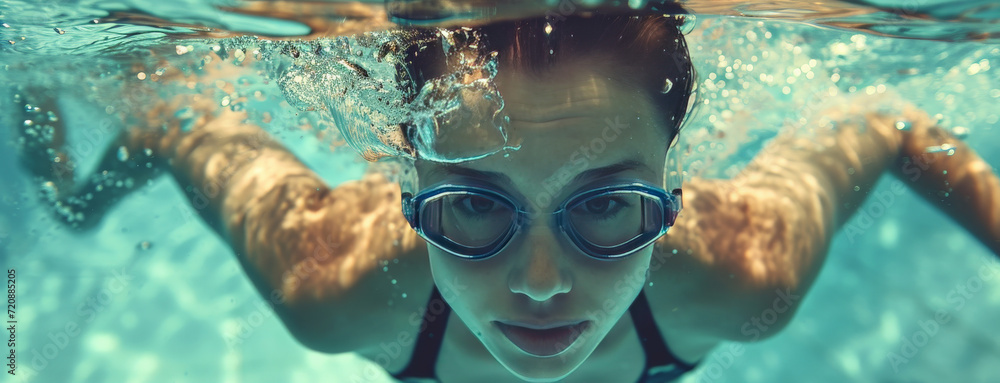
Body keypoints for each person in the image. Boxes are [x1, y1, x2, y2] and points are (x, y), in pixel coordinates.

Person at [13, 4, 1000, 383]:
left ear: (673, 182)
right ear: (411, 183)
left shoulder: (739, 265)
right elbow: (174, 121)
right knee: (67, 203)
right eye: (473, 206)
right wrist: (84, 195)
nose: (537, 284)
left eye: (608, 206)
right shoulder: (331, 276)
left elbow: (881, 121)